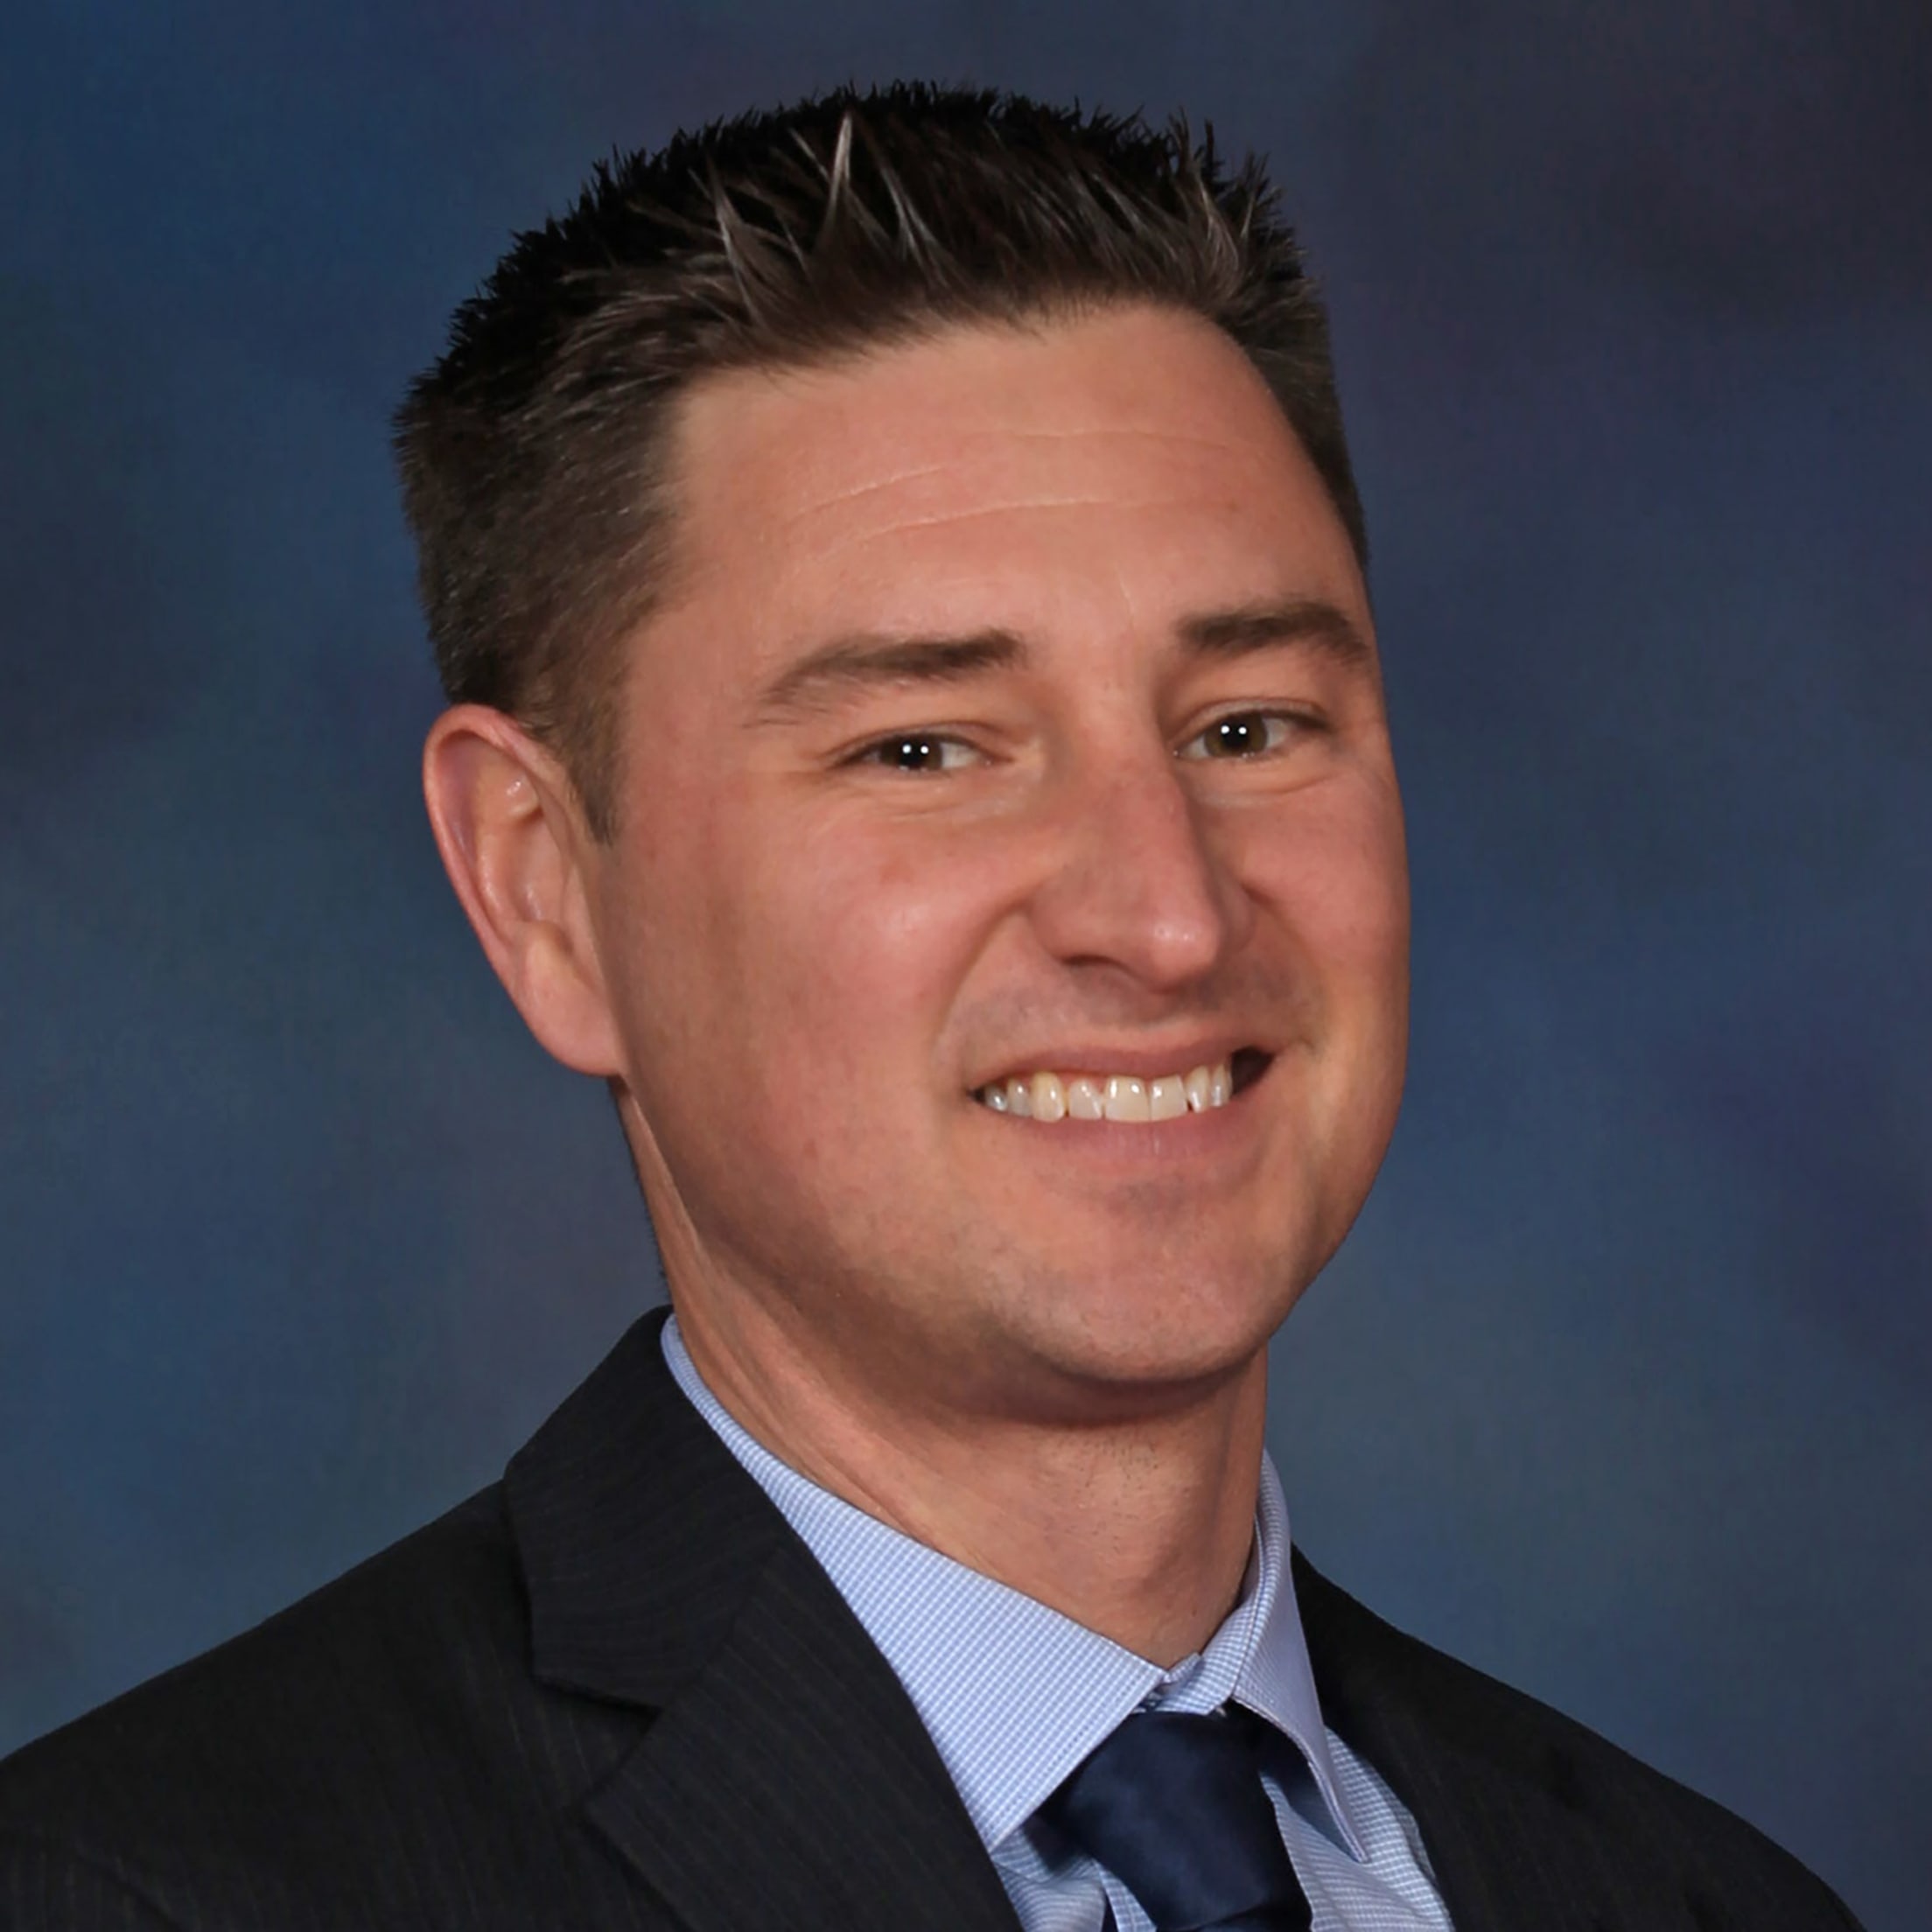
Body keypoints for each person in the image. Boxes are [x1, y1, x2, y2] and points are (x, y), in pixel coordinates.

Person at [0, 83, 1863, 1932]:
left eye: (1247, 727)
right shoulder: (143, 1896)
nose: (1167, 915)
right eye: (925, 748)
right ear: (545, 888)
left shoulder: (1702, 1900)